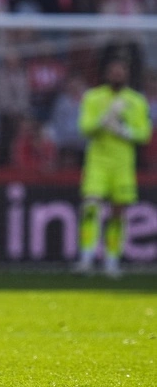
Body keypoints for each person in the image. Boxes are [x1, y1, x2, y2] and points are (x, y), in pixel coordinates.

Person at [73, 59, 151, 278]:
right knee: (90, 207)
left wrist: (123, 130)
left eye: (120, 72)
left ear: (126, 75)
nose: (117, 75)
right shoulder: (93, 97)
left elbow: (144, 134)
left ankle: (111, 260)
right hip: (97, 162)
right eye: (113, 71)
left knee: (118, 213)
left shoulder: (136, 101)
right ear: (107, 73)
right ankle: (86, 258)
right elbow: (84, 128)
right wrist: (104, 119)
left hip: (122, 164)